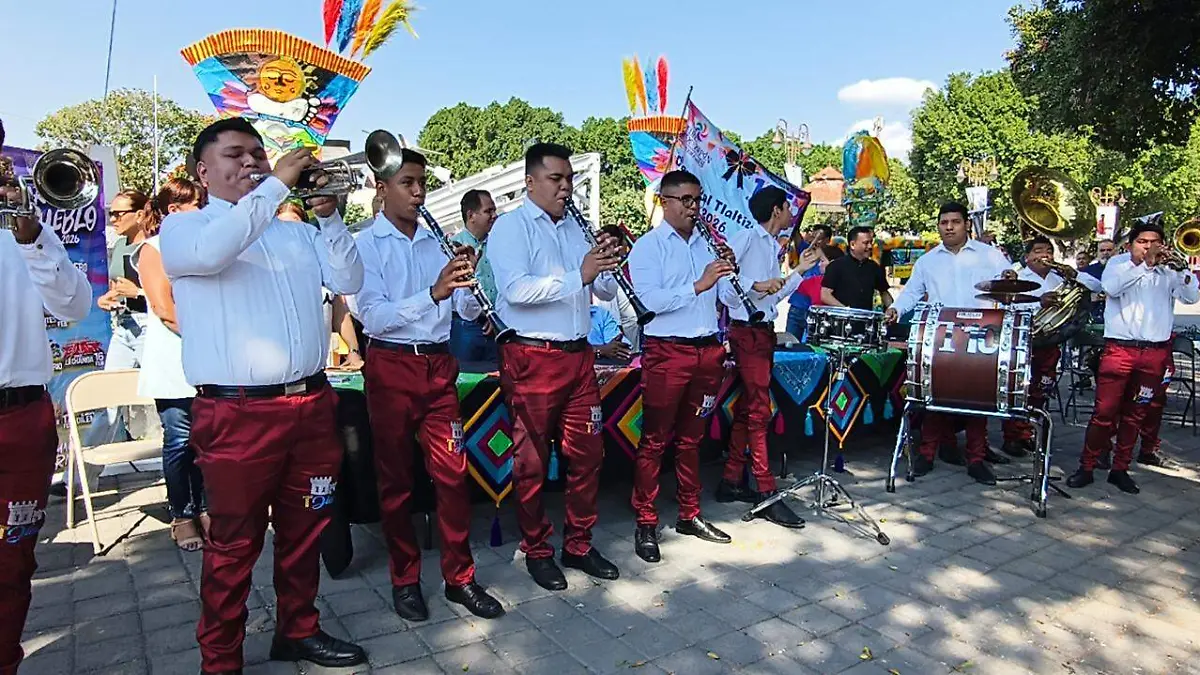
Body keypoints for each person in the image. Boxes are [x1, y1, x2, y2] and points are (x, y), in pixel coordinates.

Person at [160, 117, 366, 673]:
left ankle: (298, 630)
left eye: (257, 153)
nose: (251, 162)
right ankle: (221, 657)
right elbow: (213, 254)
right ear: (202, 171)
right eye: (236, 155)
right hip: (237, 412)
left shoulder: (294, 232)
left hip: (311, 404)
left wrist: (330, 216)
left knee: (306, 529)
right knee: (234, 543)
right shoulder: (184, 230)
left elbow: (349, 280)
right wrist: (276, 182)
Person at [353, 147, 505, 621]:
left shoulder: (436, 242)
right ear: (382, 189)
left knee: (453, 475)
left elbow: (462, 313)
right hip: (392, 366)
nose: (419, 192)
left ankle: (460, 578)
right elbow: (372, 315)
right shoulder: (365, 245)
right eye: (408, 183)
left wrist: (470, 282)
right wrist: (433, 292)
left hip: (440, 367)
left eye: (422, 183)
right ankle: (405, 579)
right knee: (396, 481)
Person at [488, 142, 623, 591]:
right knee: (530, 460)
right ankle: (537, 548)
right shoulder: (510, 228)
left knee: (588, 454)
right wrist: (579, 275)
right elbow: (515, 291)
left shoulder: (576, 228)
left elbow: (600, 291)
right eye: (556, 179)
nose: (566, 188)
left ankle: (579, 544)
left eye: (569, 179)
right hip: (532, 357)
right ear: (531, 182)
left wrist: (607, 264)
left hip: (579, 356)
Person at [0, 123, 93, 674]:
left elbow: (76, 305)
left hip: (21, 417)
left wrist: (35, 239)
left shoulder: (24, 231)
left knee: (13, 563)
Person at [626, 170, 735, 562]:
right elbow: (649, 303)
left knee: (693, 439)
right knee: (655, 439)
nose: (694, 208)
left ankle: (690, 513)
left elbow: (731, 303)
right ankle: (646, 520)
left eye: (697, 200)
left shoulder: (709, 246)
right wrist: (699, 284)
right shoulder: (646, 248)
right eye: (686, 200)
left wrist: (730, 275)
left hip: (707, 352)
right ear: (664, 201)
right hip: (667, 351)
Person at [1065, 220, 1199, 494]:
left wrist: (1184, 270)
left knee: (1136, 413)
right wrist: (1144, 265)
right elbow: (1112, 289)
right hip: (1120, 350)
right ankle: (1087, 466)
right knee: (1104, 412)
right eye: (1143, 242)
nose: (1149, 247)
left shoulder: (1169, 270)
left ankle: (1121, 469)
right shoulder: (1118, 264)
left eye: (1154, 242)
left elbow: (1190, 296)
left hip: (1155, 353)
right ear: (1131, 245)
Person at [885, 202, 1013, 485]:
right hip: (942, 335)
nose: (949, 227)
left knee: (979, 399)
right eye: (944, 222)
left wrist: (1009, 279)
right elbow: (912, 294)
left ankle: (977, 459)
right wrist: (895, 309)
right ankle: (927, 454)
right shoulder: (927, 261)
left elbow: (1010, 284)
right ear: (939, 226)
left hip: (982, 336)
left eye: (955, 221)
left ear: (966, 223)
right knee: (935, 396)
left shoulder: (989, 256)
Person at [716, 185, 816, 527]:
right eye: (787, 208)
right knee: (760, 410)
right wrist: (755, 284)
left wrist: (799, 270)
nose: (791, 214)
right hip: (746, 332)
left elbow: (773, 297)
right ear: (776, 210)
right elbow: (725, 286)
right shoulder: (745, 237)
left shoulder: (771, 246)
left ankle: (731, 479)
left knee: (750, 407)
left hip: (762, 330)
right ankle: (765, 490)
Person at [135, 177, 208, 552]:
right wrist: (210, 338)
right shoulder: (153, 248)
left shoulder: (205, 244)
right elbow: (164, 309)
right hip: (174, 361)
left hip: (207, 363)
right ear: (172, 211)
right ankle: (182, 514)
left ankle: (208, 508)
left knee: (207, 442)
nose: (201, 210)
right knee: (179, 441)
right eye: (193, 203)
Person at [999, 236, 1067, 457]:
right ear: (1027, 256)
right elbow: (1005, 301)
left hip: (1049, 341)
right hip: (1023, 340)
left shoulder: (1059, 279)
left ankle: (1029, 432)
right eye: (1038, 251)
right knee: (1018, 387)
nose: (1044, 255)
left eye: (1048, 250)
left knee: (1042, 388)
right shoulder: (1016, 275)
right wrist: (1039, 301)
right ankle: (1012, 436)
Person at [449, 189, 499, 363]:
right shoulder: (453, 248)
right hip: (466, 328)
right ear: (471, 215)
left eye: (494, 210)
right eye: (488, 211)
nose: (494, 215)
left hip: (495, 325)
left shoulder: (498, 243)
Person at [820, 226, 893, 311]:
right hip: (841, 319)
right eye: (866, 243)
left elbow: (884, 293)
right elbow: (825, 295)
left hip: (865, 321)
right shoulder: (836, 266)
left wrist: (892, 309)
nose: (870, 246)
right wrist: (846, 310)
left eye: (871, 242)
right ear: (852, 245)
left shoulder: (874, 267)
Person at [785, 223, 831, 339]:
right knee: (789, 343)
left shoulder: (833, 255)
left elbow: (829, 270)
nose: (814, 241)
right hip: (797, 306)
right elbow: (795, 233)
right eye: (813, 236)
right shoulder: (805, 250)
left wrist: (821, 255)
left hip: (815, 311)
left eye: (819, 238)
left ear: (827, 240)